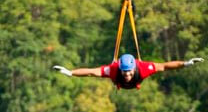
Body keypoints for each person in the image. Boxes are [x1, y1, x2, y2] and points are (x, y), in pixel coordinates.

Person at [53, 54, 204, 90]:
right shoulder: (113, 70)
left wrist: (186, 63)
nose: (127, 75)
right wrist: (70, 73)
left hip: (135, 84)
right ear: (120, 69)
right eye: (124, 72)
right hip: (119, 84)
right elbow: (91, 72)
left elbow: (165, 66)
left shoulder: (144, 69)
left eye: (129, 72)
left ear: (134, 69)